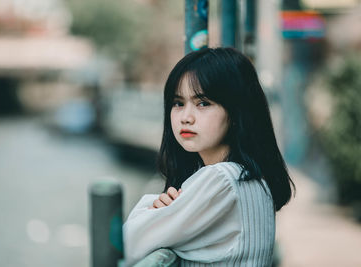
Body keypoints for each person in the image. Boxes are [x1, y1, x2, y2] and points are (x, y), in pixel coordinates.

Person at [123, 47, 295, 267]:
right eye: (178, 103)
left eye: (203, 103)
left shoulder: (221, 180)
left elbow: (126, 246)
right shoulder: (250, 179)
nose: (186, 117)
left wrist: (152, 208)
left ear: (235, 111)